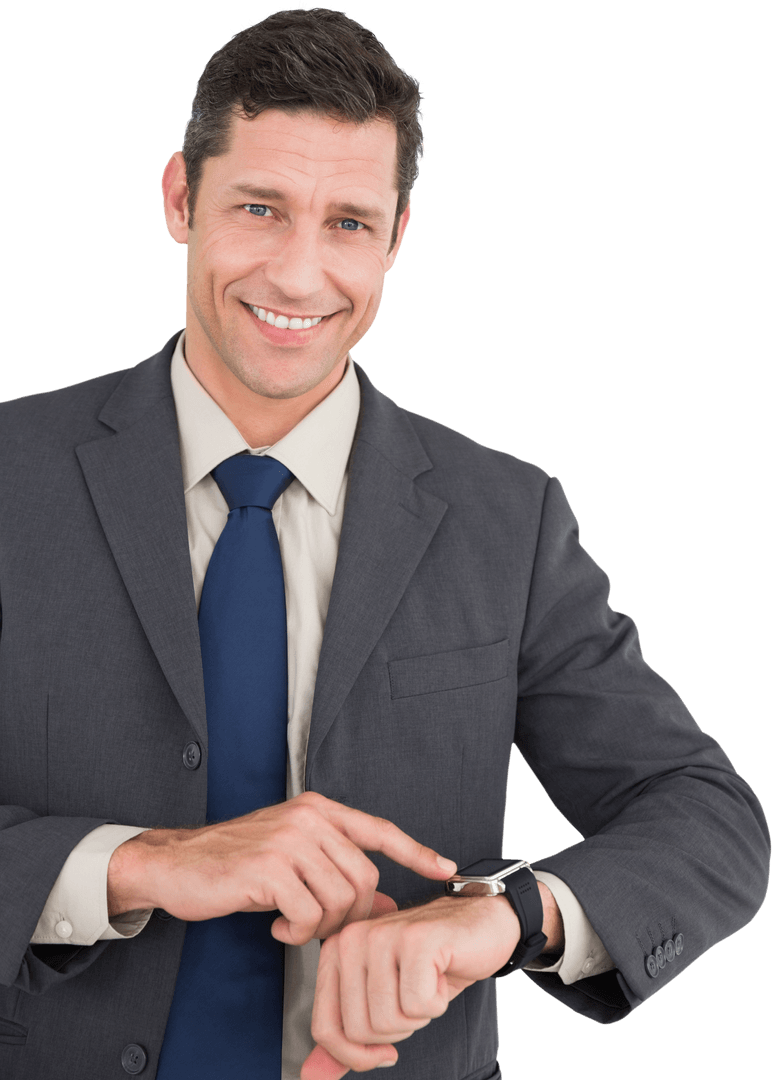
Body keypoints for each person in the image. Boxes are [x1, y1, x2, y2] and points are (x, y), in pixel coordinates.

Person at [0, 7, 768, 1080]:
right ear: (180, 197)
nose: (301, 276)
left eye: (349, 223)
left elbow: (709, 818)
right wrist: (131, 866)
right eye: (259, 207)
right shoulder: (10, 478)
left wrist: (507, 918)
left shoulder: (507, 518)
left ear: (398, 236)